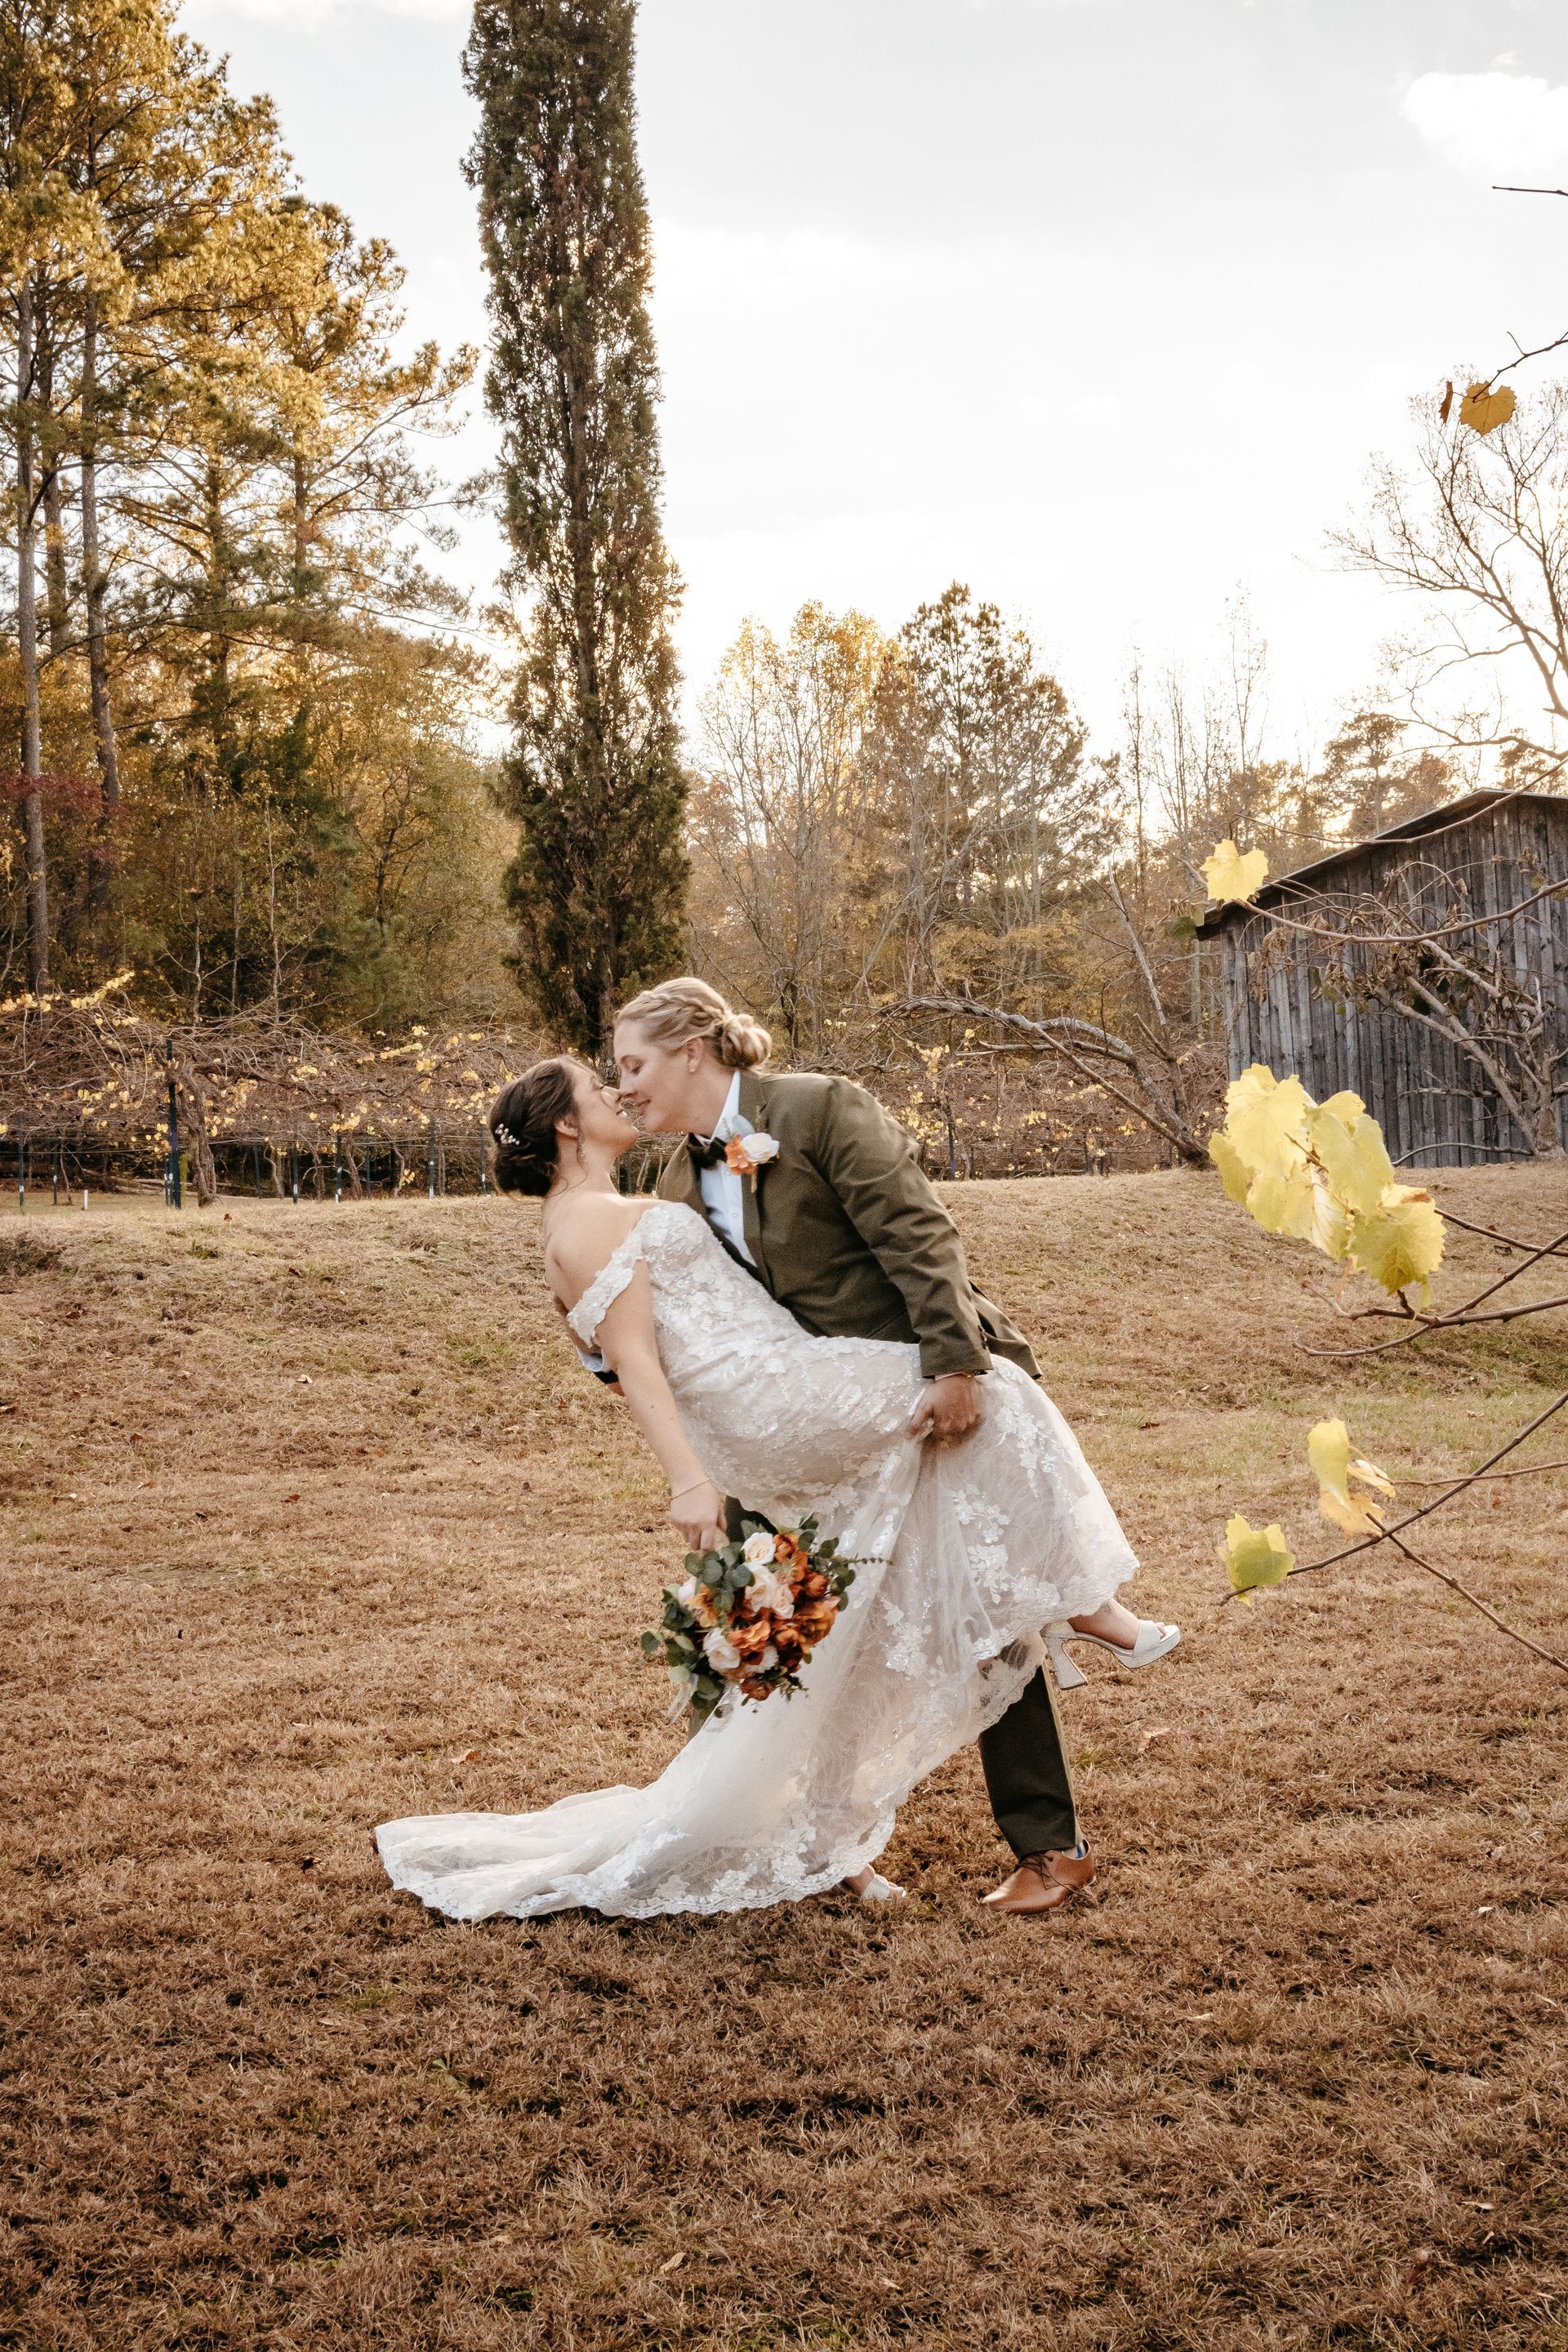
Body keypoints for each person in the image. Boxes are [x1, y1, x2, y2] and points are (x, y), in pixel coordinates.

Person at [376, 987, 1177, 1923]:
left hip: (888, 1391)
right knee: (786, 1638)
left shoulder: (817, 1108)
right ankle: (815, 1832)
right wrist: (624, 1377)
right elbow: (641, 1334)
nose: (624, 1089)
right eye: (610, 1079)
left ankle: (1045, 1844)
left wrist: (956, 1362)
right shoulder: (667, 1187)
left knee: (982, 1586)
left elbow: (921, 1237)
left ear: (690, 1047)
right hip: (778, 1429)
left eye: (631, 1066)